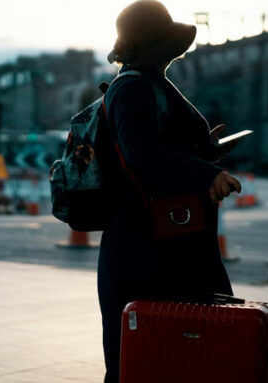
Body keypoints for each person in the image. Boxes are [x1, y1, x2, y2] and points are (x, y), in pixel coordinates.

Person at [99, 1, 241, 381]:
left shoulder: (149, 83)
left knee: (169, 348)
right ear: (153, 46)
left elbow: (157, 145)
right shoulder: (132, 88)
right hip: (148, 243)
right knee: (141, 354)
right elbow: (140, 154)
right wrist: (204, 174)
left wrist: (203, 151)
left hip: (168, 236)